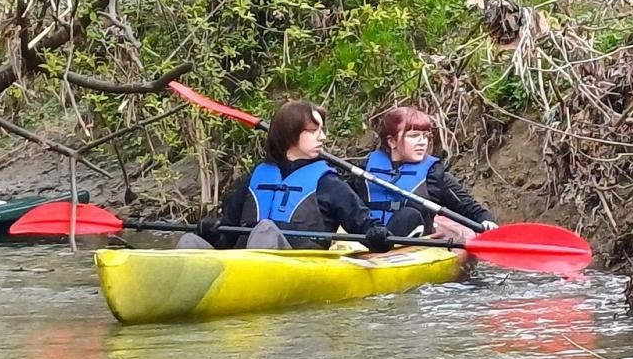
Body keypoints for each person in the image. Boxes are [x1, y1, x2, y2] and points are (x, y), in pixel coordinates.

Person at [180, 100, 369, 250]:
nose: (323, 137)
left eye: (321, 130)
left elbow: (365, 227)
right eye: (313, 131)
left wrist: (377, 236)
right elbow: (226, 239)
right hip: (246, 263)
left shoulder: (328, 183)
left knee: (265, 231)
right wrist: (212, 231)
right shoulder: (255, 178)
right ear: (290, 135)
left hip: (300, 265)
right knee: (189, 240)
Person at [358, 106, 495, 252]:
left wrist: (486, 221)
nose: (422, 142)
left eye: (425, 136)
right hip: (365, 243)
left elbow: (471, 209)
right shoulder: (363, 171)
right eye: (414, 135)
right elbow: (340, 204)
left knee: (409, 216)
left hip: (412, 247)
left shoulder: (433, 176)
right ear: (392, 141)